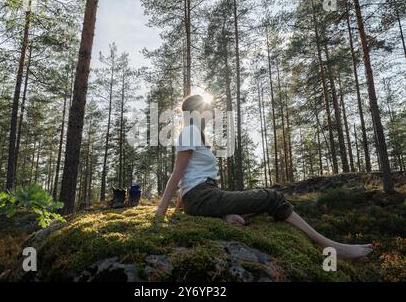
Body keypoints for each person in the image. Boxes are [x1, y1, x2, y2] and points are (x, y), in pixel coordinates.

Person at [155, 94, 372, 259]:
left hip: (206, 195)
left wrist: (190, 209)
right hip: (202, 196)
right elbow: (178, 174)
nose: (210, 114)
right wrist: (162, 212)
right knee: (272, 198)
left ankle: (225, 215)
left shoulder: (198, 136)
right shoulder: (190, 132)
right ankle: (327, 244)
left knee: (254, 204)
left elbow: (189, 177)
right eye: (207, 110)